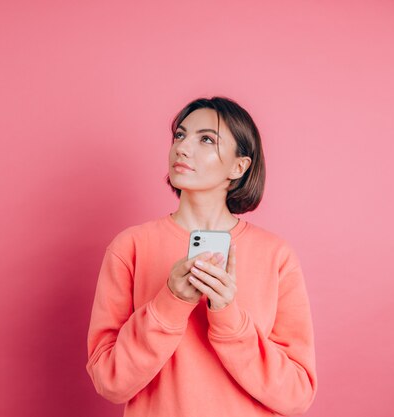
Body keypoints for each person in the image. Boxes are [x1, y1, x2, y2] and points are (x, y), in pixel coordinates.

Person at [85, 97, 318, 417]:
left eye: (206, 139)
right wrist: (170, 302)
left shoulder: (276, 256)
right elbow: (110, 381)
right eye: (180, 135)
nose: (182, 148)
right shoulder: (131, 247)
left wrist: (228, 317)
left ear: (239, 166)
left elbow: (296, 394)